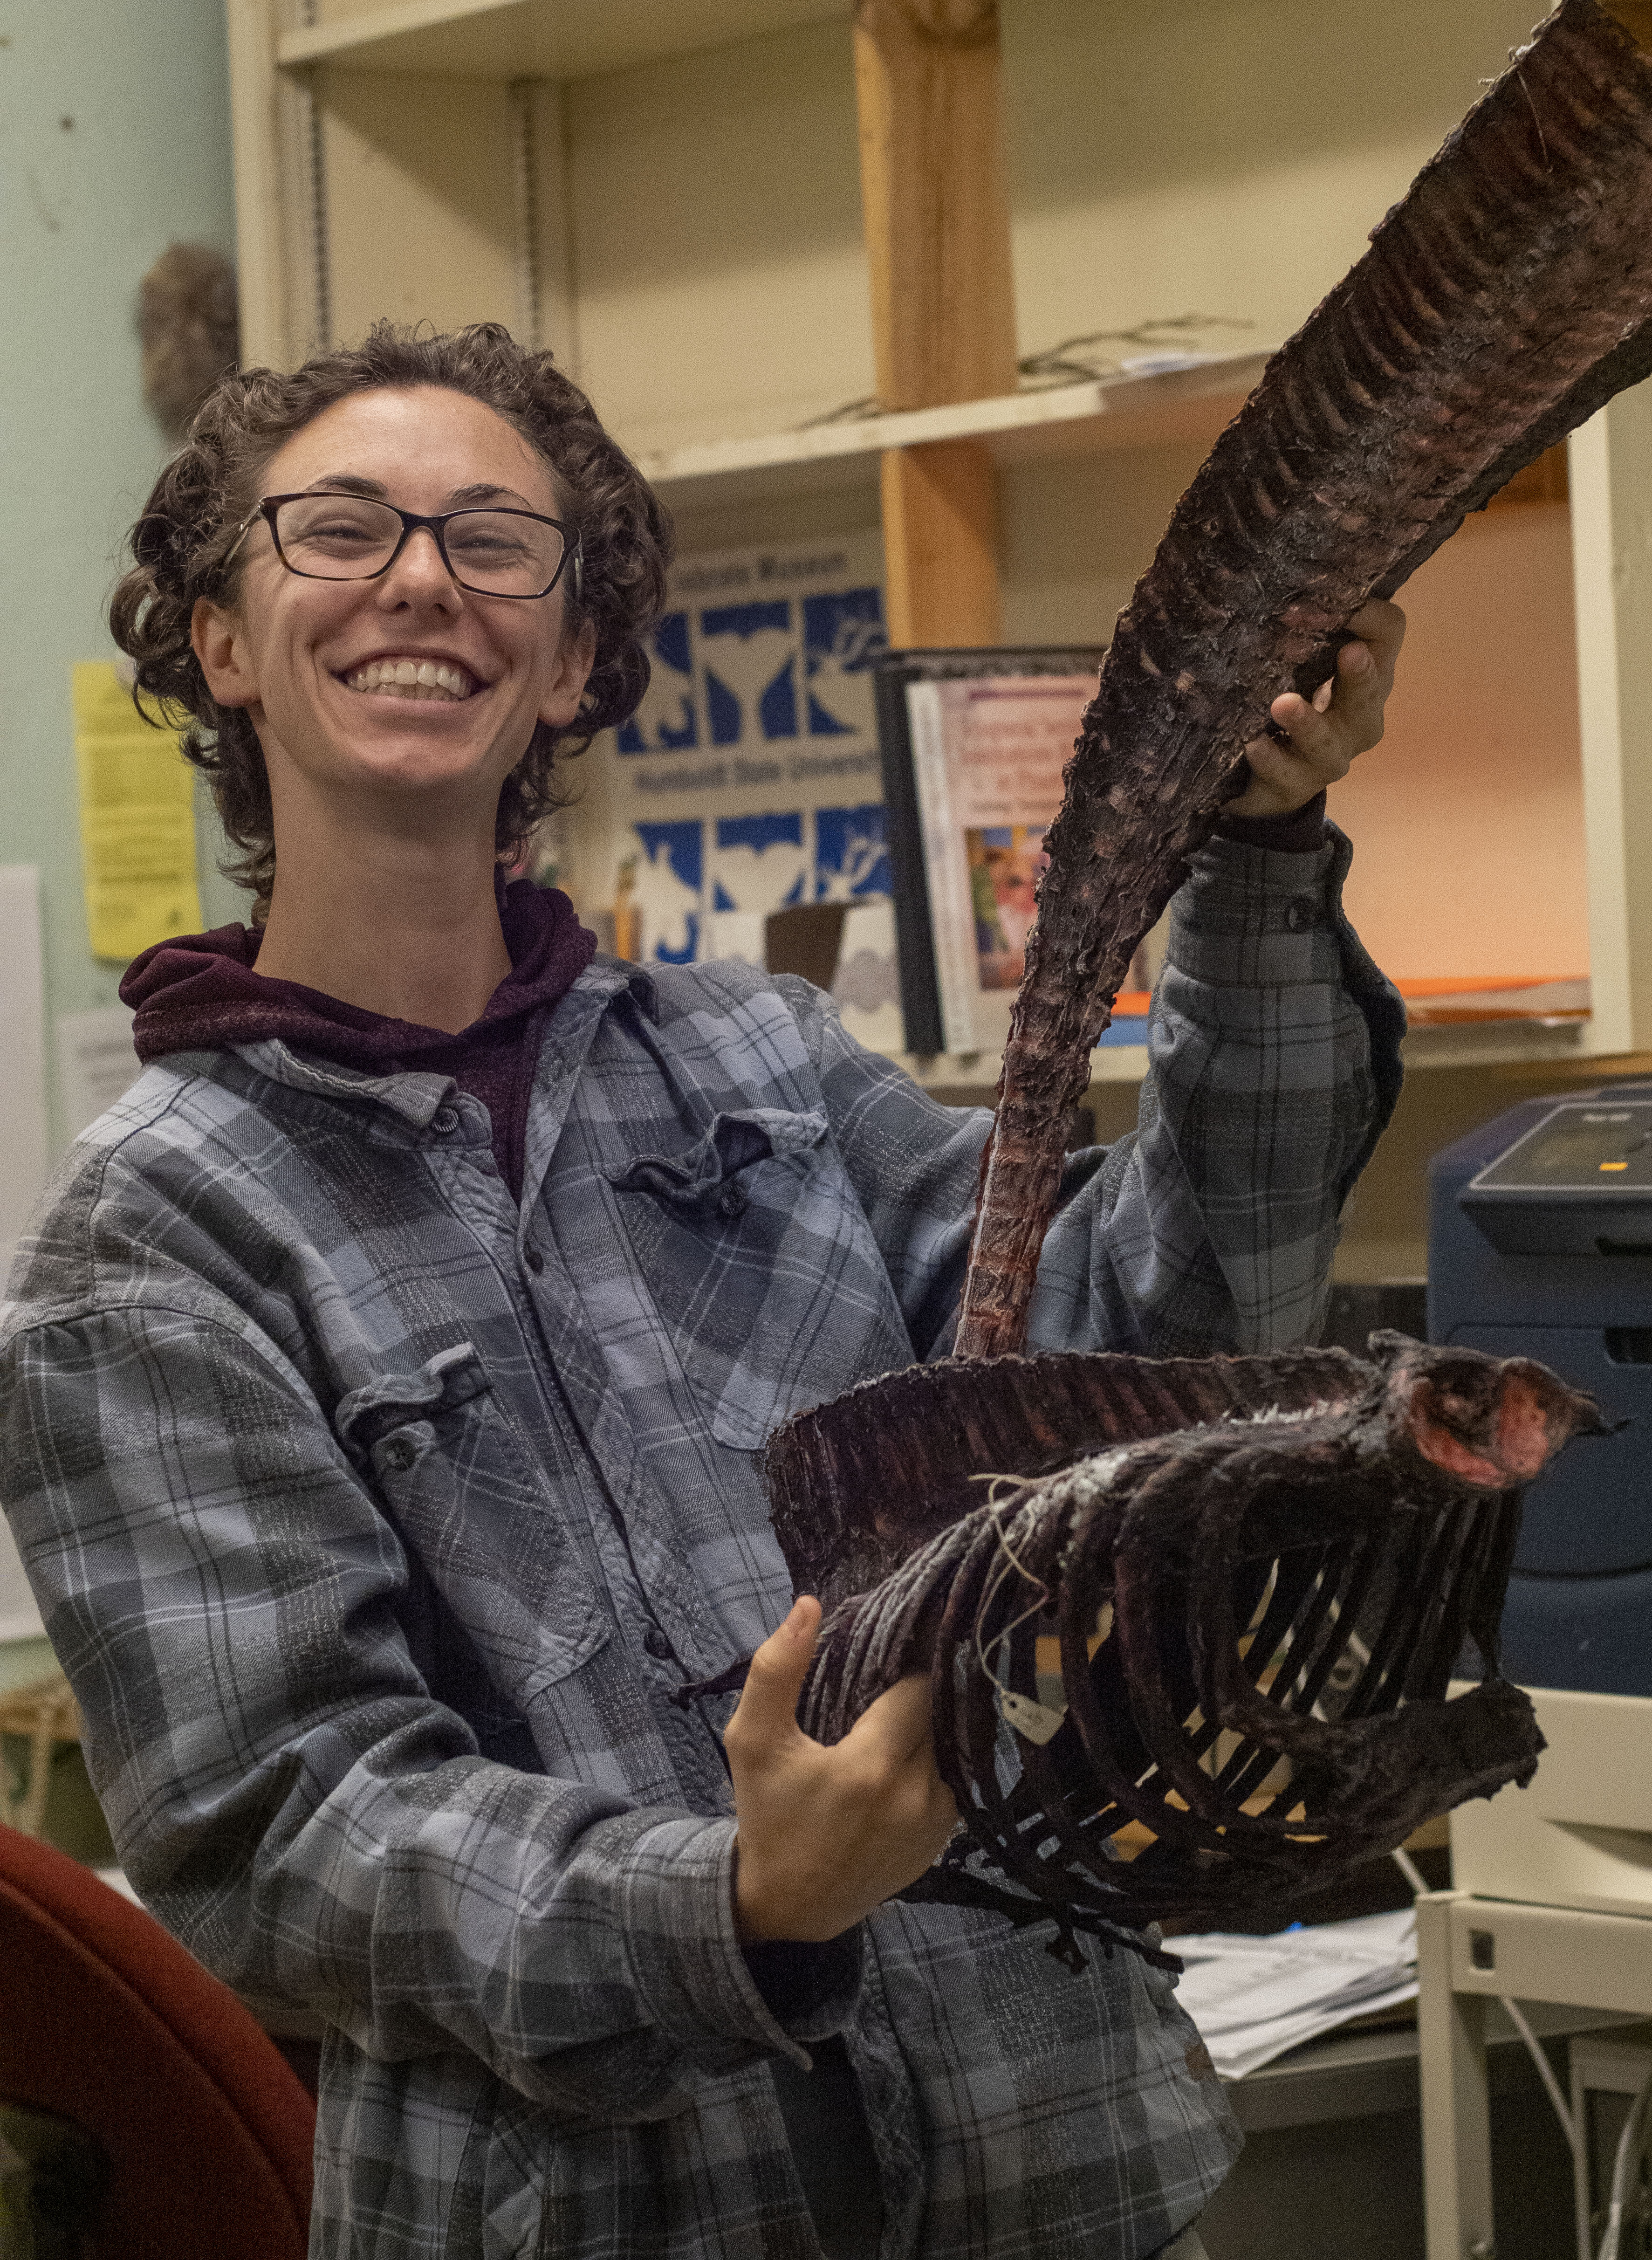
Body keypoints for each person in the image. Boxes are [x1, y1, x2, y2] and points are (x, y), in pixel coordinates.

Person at [0, 323, 1405, 2260]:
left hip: (1054, 2173)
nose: (421, 575)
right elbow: (291, 1832)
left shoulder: (766, 1062)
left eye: (498, 541)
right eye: (339, 530)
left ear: (572, 658)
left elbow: (1162, 1362)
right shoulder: (153, 1243)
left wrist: (1253, 860)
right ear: (222, 640)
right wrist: (734, 1901)